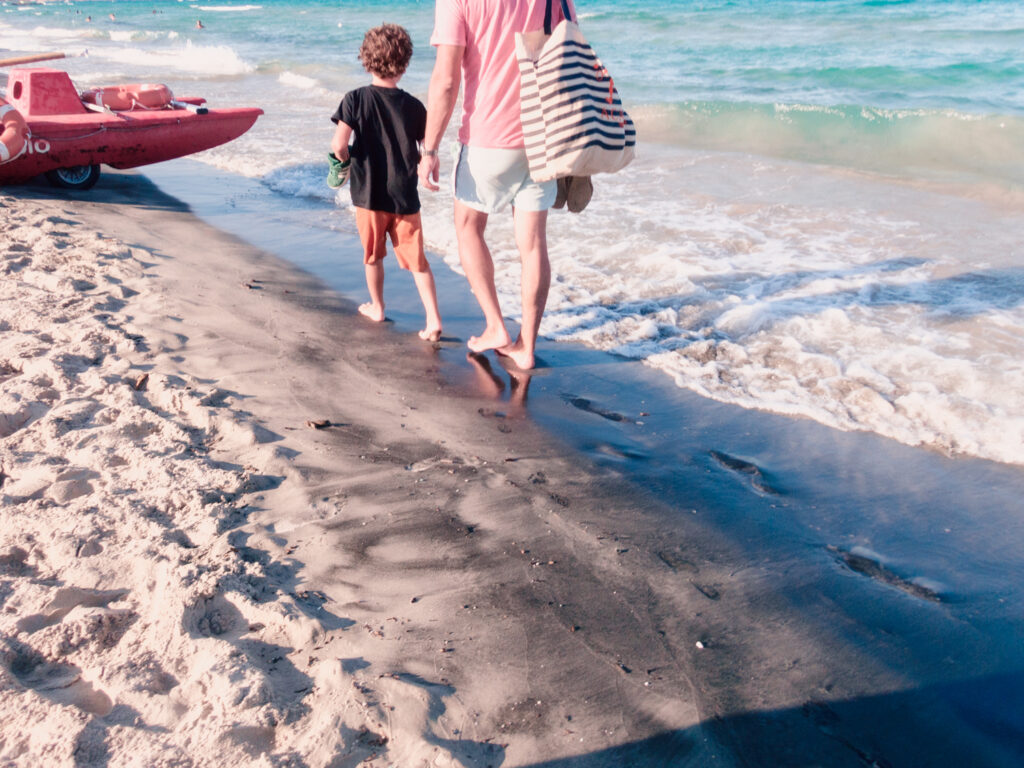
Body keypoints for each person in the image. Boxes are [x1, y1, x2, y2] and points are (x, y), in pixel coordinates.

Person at [418, 0, 573, 370]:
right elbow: (569, 51)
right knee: (533, 245)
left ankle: (495, 326)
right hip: (543, 137)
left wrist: (430, 149)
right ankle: (526, 347)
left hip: (489, 137)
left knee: (468, 227)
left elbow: (446, 81)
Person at [330, 23, 443, 342]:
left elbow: (339, 145)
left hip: (369, 196)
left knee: (373, 256)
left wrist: (343, 164)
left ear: (365, 59)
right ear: (405, 64)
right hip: (404, 197)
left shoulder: (354, 100)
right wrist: (429, 168)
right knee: (418, 262)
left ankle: (377, 307)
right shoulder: (415, 107)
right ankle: (433, 319)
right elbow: (427, 150)